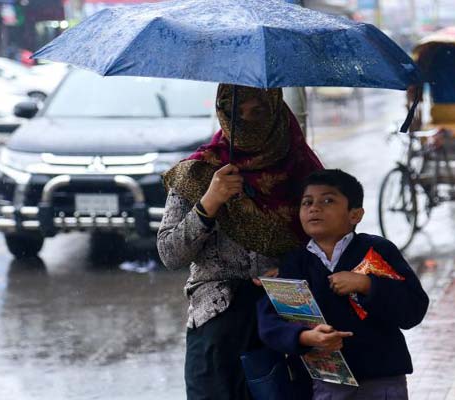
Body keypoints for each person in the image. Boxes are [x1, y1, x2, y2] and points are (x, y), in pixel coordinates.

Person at [157, 84, 323, 400]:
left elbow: (329, 246)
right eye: (235, 112)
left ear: (275, 110)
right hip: (216, 324)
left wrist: (286, 270)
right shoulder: (198, 173)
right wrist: (209, 203)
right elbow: (170, 254)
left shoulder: (302, 171)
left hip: (284, 321)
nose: (244, 122)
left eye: (257, 111)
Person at [257, 169, 429, 399]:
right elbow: (269, 321)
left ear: (355, 215)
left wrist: (368, 285)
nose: (314, 207)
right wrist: (304, 337)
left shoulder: (377, 250)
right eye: (306, 202)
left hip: (383, 377)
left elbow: (413, 309)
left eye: (328, 200)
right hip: (324, 383)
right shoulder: (293, 264)